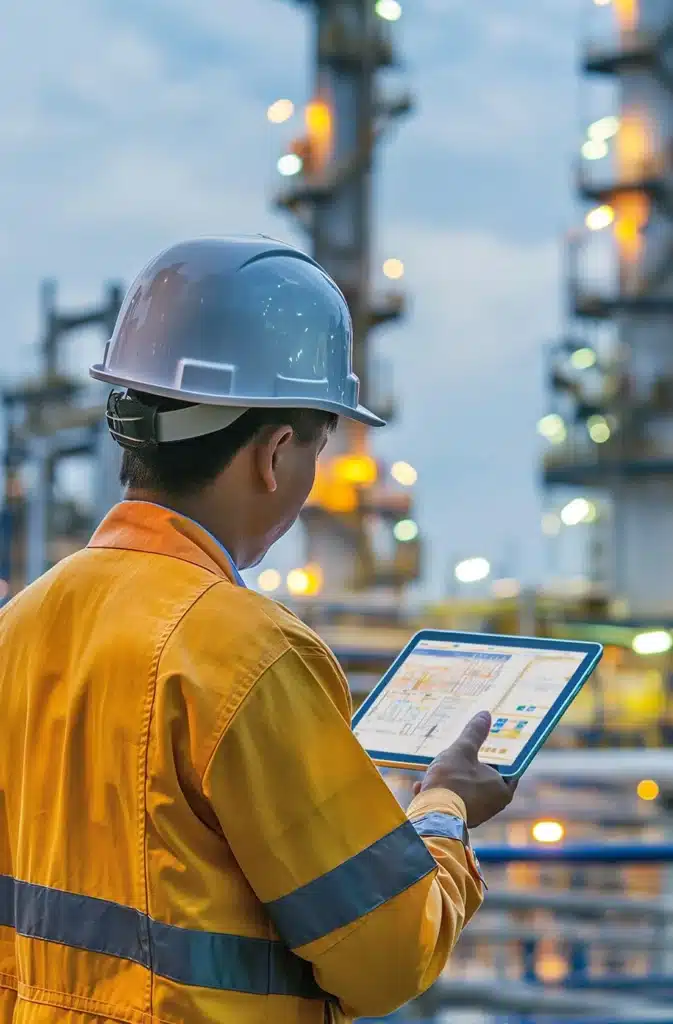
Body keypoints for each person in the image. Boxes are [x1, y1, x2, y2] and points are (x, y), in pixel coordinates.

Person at [0, 237, 515, 1024]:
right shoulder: (246, 653)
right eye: (317, 447)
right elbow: (386, 956)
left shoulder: (22, 621)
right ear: (276, 454)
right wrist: (444, 806)